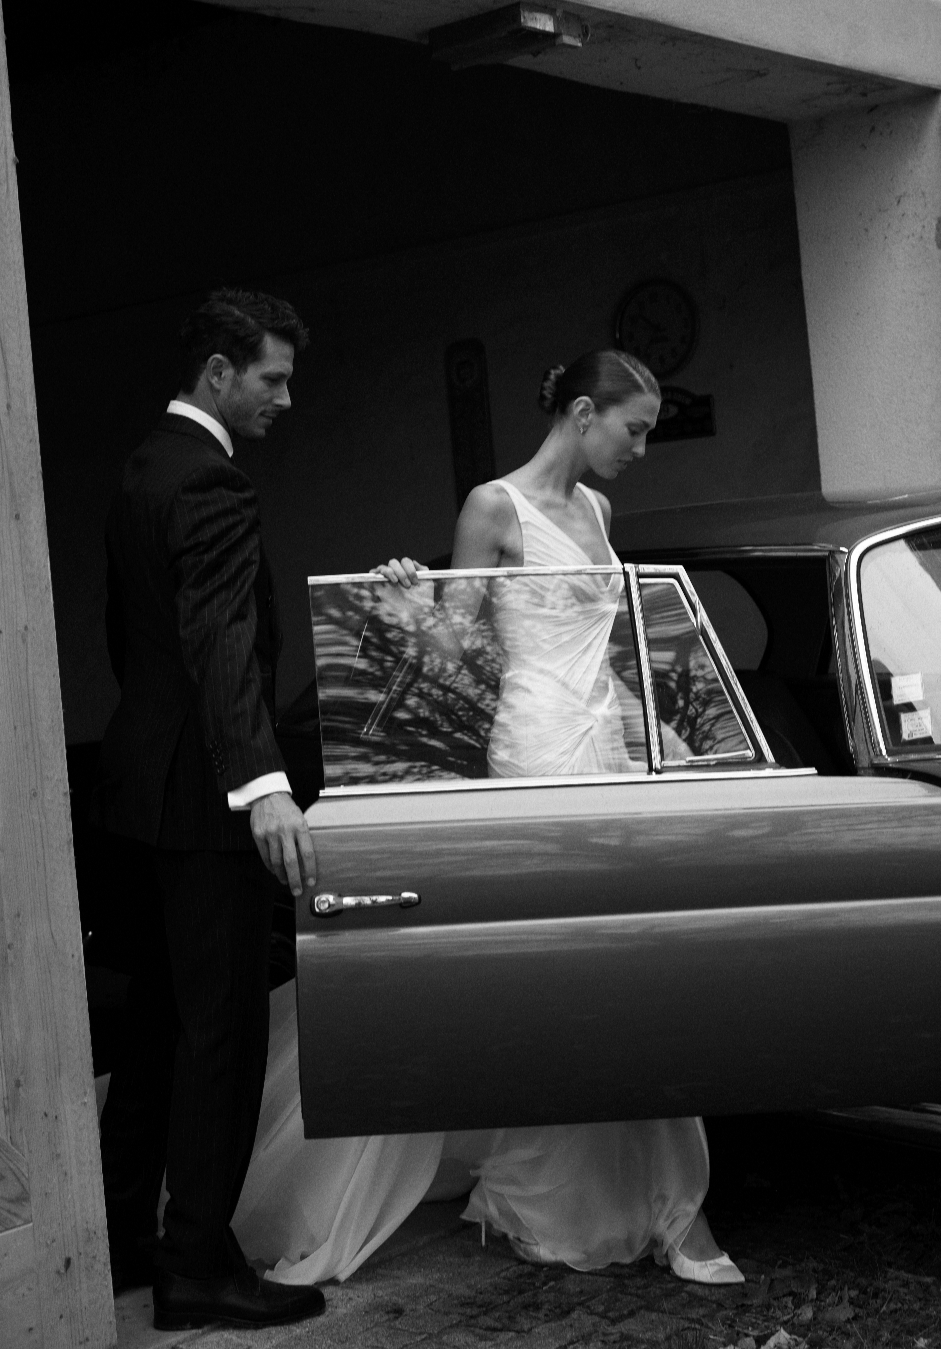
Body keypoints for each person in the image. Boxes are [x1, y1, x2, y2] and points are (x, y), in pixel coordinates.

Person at [230, 348, 743, 1287]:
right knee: (564, 968)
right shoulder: (492, 507)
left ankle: (655, 1193)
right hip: (536, 750)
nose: (640, 450)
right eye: (634, 430)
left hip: (608, 748)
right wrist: (403, 593)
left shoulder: (599, 512)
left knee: (628, 962)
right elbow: (456, 650)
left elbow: (616, 643)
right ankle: (598, 1190)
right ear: (583, 414)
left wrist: (667, 727)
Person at [94, 289, 325, 1332]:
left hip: (141, 792)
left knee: (155, 1029)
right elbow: (223, 644)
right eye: (272, 377)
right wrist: (263, 786)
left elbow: (129, 641)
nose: (286, 397)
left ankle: (121, 1241)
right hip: (206, 805)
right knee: (218, 1037)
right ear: (220, 373)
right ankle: (196, 1266)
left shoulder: (144, 467)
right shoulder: (215, 484)